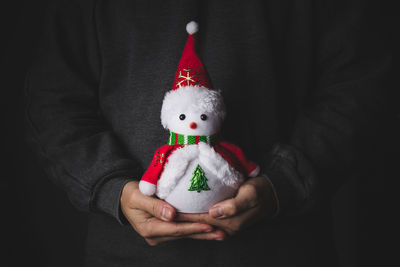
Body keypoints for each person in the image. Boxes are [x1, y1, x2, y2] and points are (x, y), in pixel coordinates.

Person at [25, 0, 390, 266]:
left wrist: (284, 181)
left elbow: (359, 81)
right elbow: (52, 96)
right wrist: (112, 187)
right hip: (126, 255)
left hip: (285, 250)